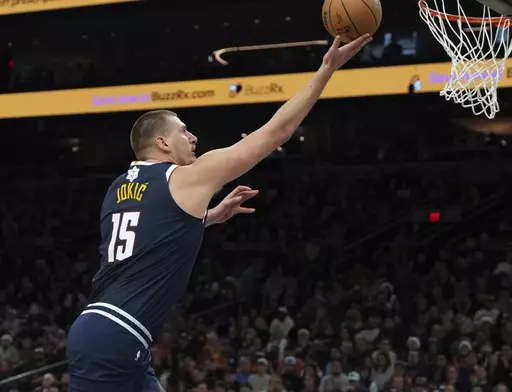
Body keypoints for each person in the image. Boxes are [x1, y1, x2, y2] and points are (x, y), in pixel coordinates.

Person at [65, 33, 373, 392]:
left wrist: (206, 217)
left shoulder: (118, 188)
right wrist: (326, 68)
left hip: (107, 332)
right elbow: (277, 132)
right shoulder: (184, 177)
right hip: (116, 335)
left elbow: (144, 242)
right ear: (162, 143)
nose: (193, 137)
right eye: (184, 131)